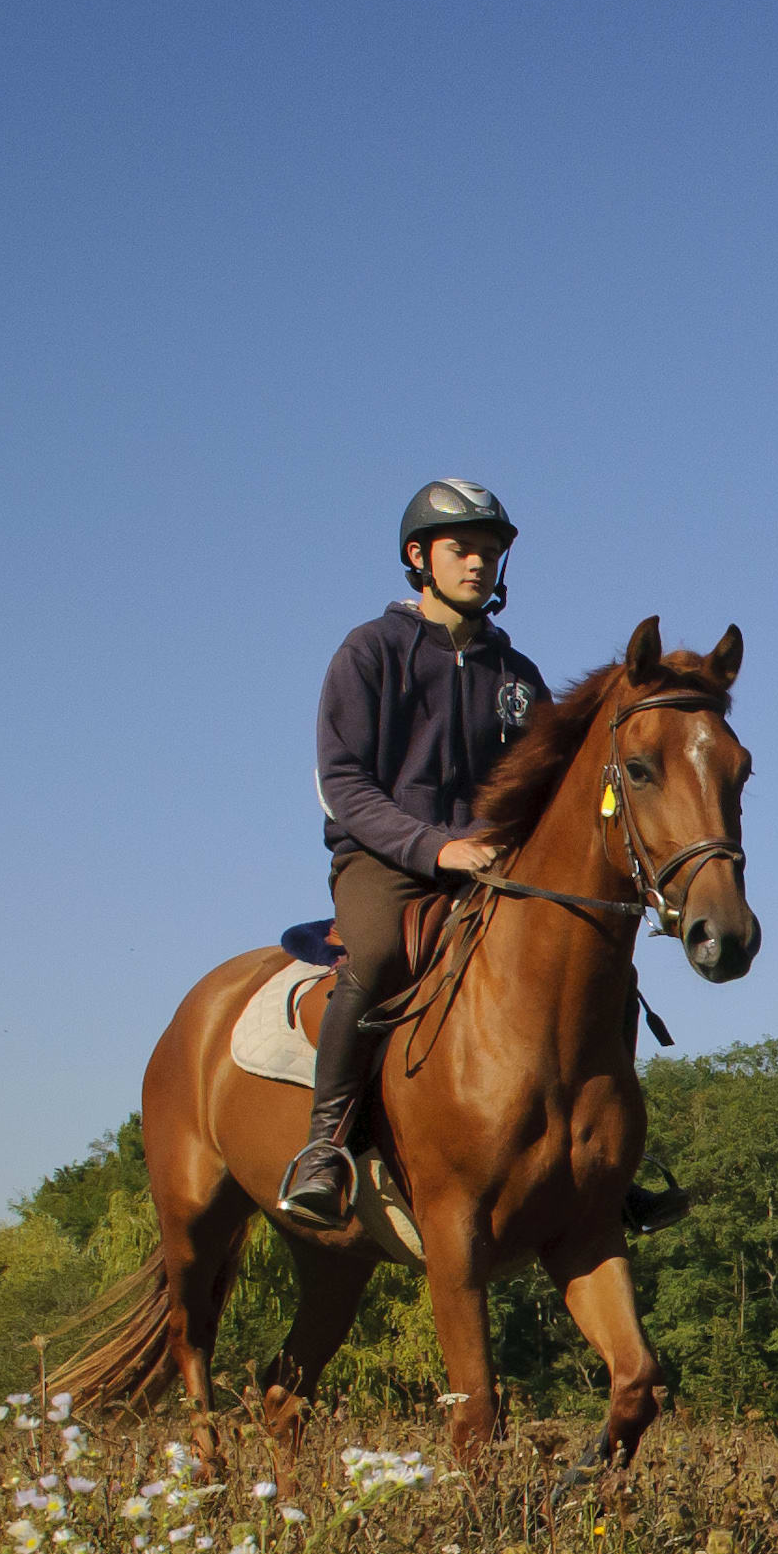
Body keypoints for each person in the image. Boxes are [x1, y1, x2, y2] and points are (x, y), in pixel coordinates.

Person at [283, 480, 550, 1224]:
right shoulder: (370, 651)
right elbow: (342, 782)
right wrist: (437, 848)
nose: (479, 564)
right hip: (385, 860)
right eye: (462, 549)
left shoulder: (519, 678)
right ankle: (325, 1147)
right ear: (418, 557)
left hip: (493, 865)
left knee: (577, 962)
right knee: (374, 958)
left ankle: (599, 1157)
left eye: (491, 552)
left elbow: (547, 791)